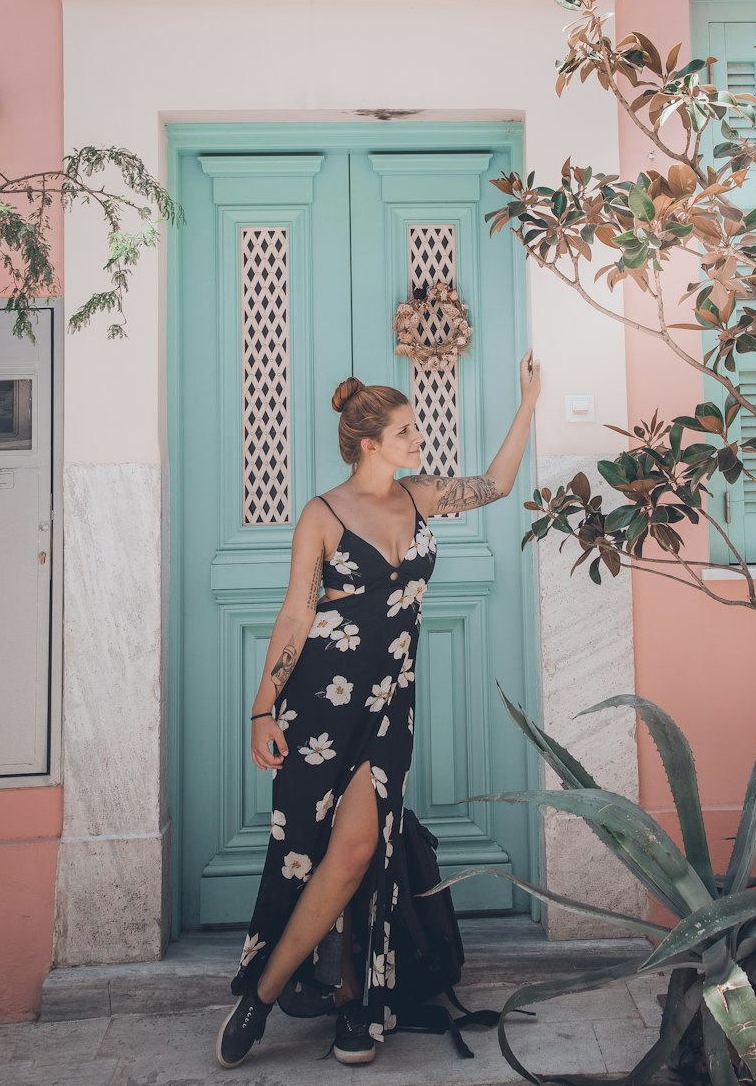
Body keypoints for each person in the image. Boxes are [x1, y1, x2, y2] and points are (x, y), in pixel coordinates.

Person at [216, 349, 541, 1069]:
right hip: (322, 707)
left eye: (414, 428)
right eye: (405, 431)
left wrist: (528, 403)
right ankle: (270, 997)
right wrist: (262, 709)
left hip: (392, 704)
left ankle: (347, 999)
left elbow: (495, 483)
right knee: (310, 853)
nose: (417, 438)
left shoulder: (420, 497)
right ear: (369, 444)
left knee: (365, 851)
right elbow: (296, 616)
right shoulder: (323, 514)